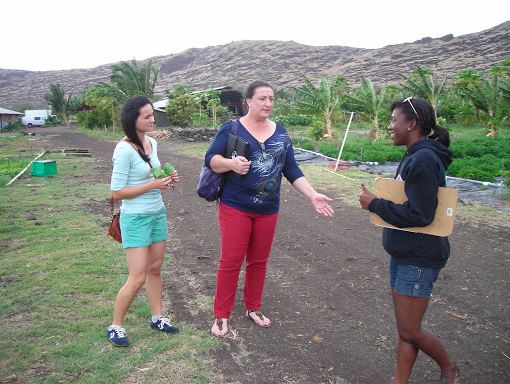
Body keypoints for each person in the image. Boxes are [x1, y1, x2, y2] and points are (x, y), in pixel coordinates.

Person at [205, 81, 335, 337]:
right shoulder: (231, 128)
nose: (268, 104)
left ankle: (253, 307)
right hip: (235, 206)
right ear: (249, 101)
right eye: (262, 98)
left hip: (268, 208)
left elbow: (291, 169)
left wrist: (312, 195)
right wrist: (231, 164)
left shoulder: (281, 132)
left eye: (271, 99)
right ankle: (221, 315)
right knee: (231, 261)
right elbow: (211, 159)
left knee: (259, 261)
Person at [359, 98, 460, 384]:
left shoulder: (424, 159)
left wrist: (375, 205)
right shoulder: (416, 154)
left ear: (411, 124)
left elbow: (421, 214)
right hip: (407, 253)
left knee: (410, 330)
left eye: (393, 120)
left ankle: (449, 369)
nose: (390, 126)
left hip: (419, 257)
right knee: (407, 327)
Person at [107, 95, 180, 347]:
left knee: (155, 269)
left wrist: (167, 177)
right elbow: (117, 192)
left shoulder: (151, 143)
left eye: (152, 114)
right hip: (135, 218)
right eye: (146, 116)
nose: (152, 119)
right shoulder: (124, 149)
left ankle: (157, 318)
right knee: (137, 277)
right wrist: (152, 184)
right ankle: (115, 326)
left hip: (157, 213)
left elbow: (152, 176)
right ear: (133, 120)